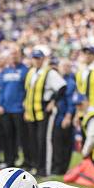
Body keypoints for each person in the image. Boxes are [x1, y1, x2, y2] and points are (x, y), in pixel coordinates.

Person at [23, 49, 66, 177]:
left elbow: (62, 87)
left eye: (38, 58)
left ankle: (44, 169)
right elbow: (28, 92)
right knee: (33, 141)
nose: (36, 60)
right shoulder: (31, 72)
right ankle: (36, 167)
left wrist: (53, 101)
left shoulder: (50, 73)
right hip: (31, 112)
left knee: (43, 140)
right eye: (34, 58)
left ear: (43, 59)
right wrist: (26, 109)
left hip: (43, 111)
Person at [0, 48, 28, 168]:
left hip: (19, 109)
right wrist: (0, 104)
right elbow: (2, 89)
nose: (14, 56)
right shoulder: (5, 71)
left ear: (20, 55)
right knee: (7, 136)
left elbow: (27, 89)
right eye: (12, 54)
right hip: (6, 109)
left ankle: (26, 161)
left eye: (16, 54)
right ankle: (9, 161)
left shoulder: (25, 70)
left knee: (22, 137)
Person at [51, 59, 76, 175]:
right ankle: (57, 167)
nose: (65, 68)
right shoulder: (57, 81)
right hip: (55, 117)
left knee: (64, 144)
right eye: (63, 66)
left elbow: (71, 102)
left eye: (67, 66)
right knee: (56, 143)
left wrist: (68, 116)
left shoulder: (70, 83)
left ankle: (61, 169)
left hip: (64, 116)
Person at [75, 46, 94, 110]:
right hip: (84, 106)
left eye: (89, 53)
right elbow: (79, 90)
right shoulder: (80, 71)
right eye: (85, 53)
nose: (87, 56)